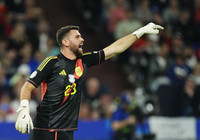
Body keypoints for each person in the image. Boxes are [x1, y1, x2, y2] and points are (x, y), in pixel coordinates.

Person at [15, 22, 163, 140]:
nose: (82, 39)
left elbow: (116, 48)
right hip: (45, 129)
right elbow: (27, 86)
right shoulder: (51, 62)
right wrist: (23, 110)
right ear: (65, 42)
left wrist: (139, 32)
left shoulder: (85, 60)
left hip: (67, 130)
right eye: (77, 37)